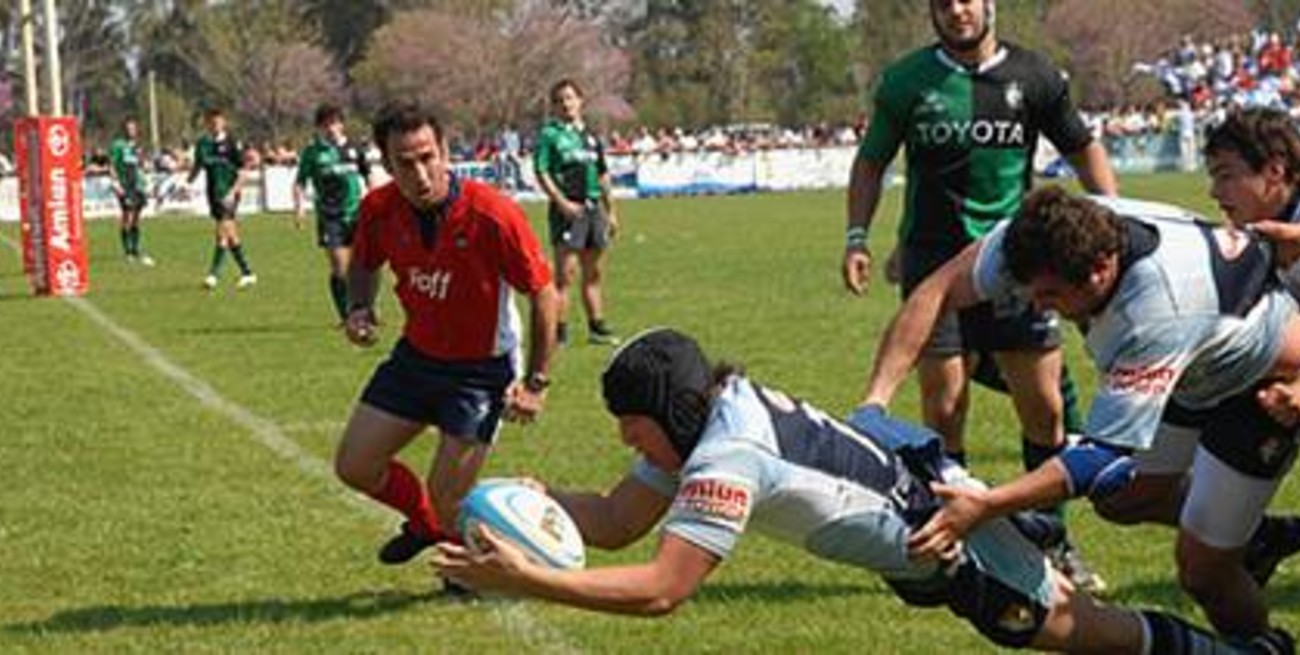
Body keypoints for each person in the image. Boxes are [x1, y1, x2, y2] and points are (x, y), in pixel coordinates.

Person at [435, 328, 1293, 654]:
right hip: (917, 521)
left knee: (1086, 631)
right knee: (1077, 627)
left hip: (946, 535)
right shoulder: (707, 413)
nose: (627, 442)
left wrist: (529, 578)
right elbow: (621, 518)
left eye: (631, 426)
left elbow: (663, 590)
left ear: (669, 411)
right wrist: (543, 499)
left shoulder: (726, 455)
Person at [862, 186, 1300, 641]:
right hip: (1195, 374)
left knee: (1203, 571)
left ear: (1100, 270)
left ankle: (1262, 646)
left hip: (1263, 387)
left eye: (1051, 293)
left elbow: (1099, 457)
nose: (1035, 304)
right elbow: (934, 292)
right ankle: (1258, 537)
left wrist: (987, 506)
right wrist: (875, 400)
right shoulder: (1043, 234)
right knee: (1121, 498)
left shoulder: (1154, 313)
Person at [841, 0, 1118, 593]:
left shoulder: (1035, 76)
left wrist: (1112, 216)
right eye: (944, 2)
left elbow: (1082, 146)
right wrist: (857, 236)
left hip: (1019, 262)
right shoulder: (907, 81)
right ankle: (964, 539)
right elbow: (871, 162)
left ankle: (1053, 539)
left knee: (1045, 409)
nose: (957, 10)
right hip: (933, 266)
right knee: (944, 409)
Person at [335, 101, 560, 579]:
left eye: (428, 157)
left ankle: (474, 569)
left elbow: (544, 294)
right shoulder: (378, 209)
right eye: (405, 162)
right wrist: (359, 308)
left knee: (448, 495)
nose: (420, 173)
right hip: (416, 357)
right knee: (355, 465)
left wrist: (536, 383)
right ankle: (427, 525)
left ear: (445, 151)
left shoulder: (493, 214)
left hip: (481, 370)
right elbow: (364, 263)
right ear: (385, 163)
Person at [534, 78, 620, 347]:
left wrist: (611, 210)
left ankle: (597, 327)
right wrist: (561, 203)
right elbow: (541, 172)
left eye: (570, 98)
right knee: (565, 276)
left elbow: (603, 174)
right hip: (569, 210)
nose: (566, 104)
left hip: (594, 209)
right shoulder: (550, 135)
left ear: (580, 101)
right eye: (559, 100)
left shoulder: (590, 136)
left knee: (593, 273)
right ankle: (559, 332)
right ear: (553, 106)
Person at [294, 103, 373, 323]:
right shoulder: (313, 153)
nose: (330, 128)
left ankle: (365, 309)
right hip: (330, 217)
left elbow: (368, 175)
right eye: (325, 124)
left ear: (341, 124)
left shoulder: (354, 149)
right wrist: (299, 208)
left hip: (356, 214)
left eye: (334, 123)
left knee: (363, 267)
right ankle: (346, 315)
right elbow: (300, 182)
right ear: (319, 128)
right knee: (340, 267)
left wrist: (376, 201)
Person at [188, 108, 256, 290]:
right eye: (211, 122)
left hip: (228, 193)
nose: (215, 125)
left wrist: (233, 192)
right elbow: (198, 165)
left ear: (224, 122)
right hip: (213, 193)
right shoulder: (202, 144)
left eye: (218, 121)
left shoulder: (232, 143)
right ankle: (247, 272)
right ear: (207, 124)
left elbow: (243, 171)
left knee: (222, 232)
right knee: (231, 234)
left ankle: (213, 275)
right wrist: (187, 182)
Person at [107, 118, 155, 267]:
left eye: (133, 128)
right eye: (129, 128)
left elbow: (141, 165)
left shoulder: (138, 146)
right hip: (125, 185)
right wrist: (115, 183)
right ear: (124, 130)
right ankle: (128, 252)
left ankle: (136, 249)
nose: (131, 131)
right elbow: (112, 165)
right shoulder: (118, 145)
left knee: (136, 218)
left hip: (138, 185)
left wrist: (147, 179)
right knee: (127, 216)